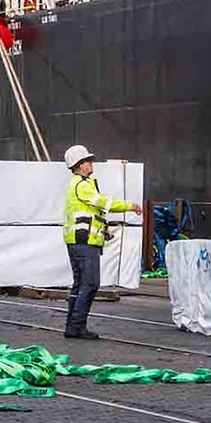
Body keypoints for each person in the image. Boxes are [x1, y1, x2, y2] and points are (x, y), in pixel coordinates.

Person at [60, 143, 138, 339]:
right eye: (87, 161)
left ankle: (72, 326)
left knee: (80, 284)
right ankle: (77, 326)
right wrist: (130, 206)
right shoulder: (82, 185)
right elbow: (104, 203)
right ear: (78, 165)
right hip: (84, 243)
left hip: (80, 241)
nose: (90, 163)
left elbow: (90, 214)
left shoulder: (79, 185)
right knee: (90, 283)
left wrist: (104, 231)